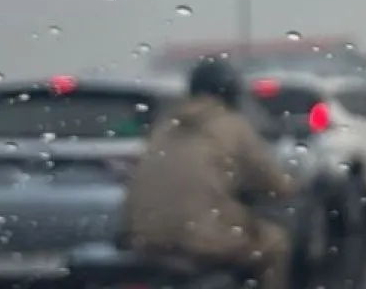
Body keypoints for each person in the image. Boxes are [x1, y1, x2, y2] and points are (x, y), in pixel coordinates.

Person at [122, 57, 295, 288]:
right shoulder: (232, 124)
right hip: (202, 240)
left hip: (147, 241)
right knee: (276, 243)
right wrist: (288, 185)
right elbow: (273, 181)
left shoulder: (166, 125)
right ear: (231, 92)